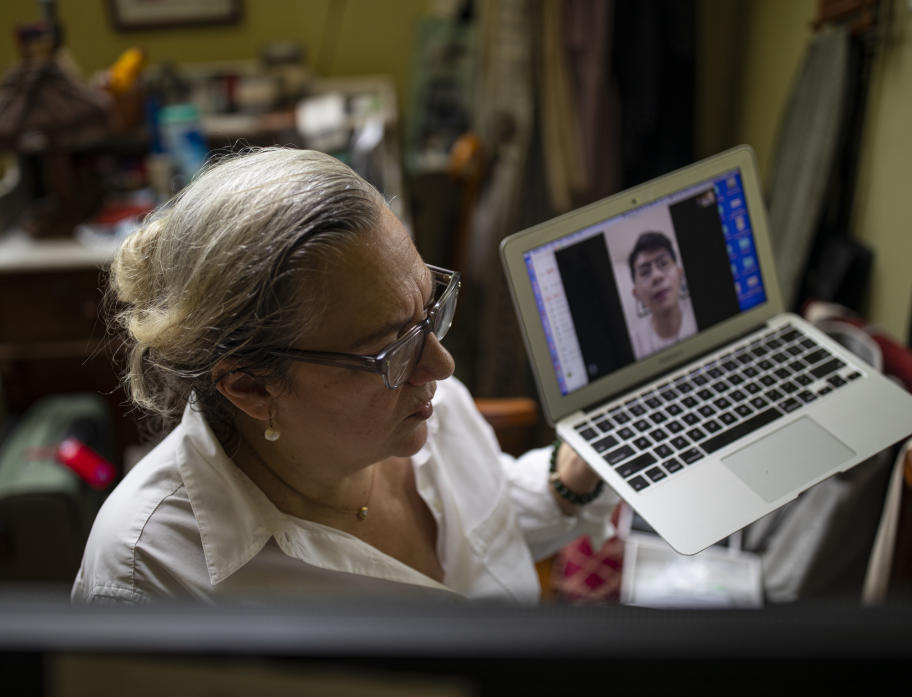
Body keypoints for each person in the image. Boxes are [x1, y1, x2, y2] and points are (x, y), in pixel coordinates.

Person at [72, 147, 617, 605]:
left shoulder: (423, 399)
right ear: (252, 387)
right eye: (389, 346)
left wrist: (571, 477)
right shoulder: (149, 579)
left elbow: (485, 533)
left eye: (428, 311)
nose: (441, 366)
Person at [627, 231, 697, 358]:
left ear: (680, 275)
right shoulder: (634, 344)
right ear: (637, 294)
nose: (656, 276)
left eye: (663, 264)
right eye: (644, 272)